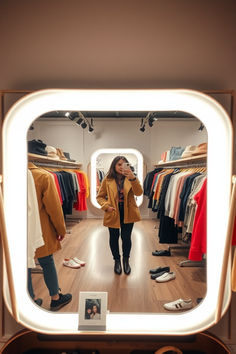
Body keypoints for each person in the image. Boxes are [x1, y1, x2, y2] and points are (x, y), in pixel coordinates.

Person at [28, 162, 72, 311]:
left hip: (16, 228)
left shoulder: (9, 175)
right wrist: (61, 229)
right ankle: (56, 298)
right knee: (47, 261)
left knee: (24, 263)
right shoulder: (43, 176)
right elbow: (54, 207)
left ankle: (30, 298)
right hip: (40, 227)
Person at [96, 156, 143, 275]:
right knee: (113, 237)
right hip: (113, 211)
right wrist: (106, 206)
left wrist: (132, 178)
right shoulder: (107, 179)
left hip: (128, 212)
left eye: (124, 164)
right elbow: (100, 197)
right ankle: (117, 261)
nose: (122, 167)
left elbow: (139, 192)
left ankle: (126, 261)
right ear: (114, 166)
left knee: (126, 238)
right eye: (119, 164)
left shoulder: (131, 177)